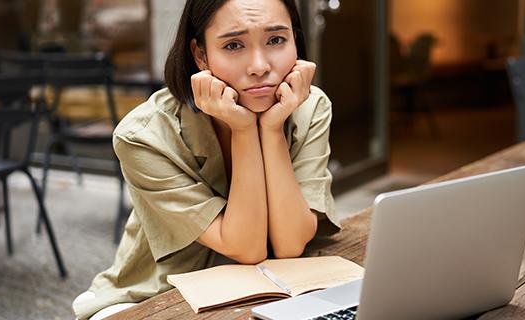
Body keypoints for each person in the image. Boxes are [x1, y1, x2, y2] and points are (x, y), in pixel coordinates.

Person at [72, 0, 341, 318]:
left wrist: (271, 130)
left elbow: (291, 243)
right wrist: (243, 130)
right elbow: (247, 247)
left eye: (276, 40)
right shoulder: (144, 135)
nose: (259, 66)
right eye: (233, 44)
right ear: (200, 54)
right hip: (158, 296)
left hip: (269, 286)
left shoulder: (310, 107)